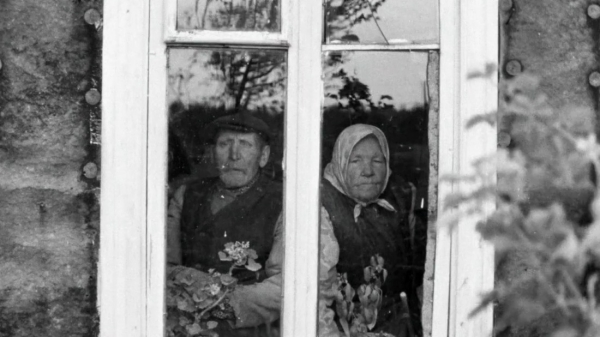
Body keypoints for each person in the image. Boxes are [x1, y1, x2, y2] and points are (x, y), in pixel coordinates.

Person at [167, 112, 283, 336]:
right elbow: (162, 265)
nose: (234, 155)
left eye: (245, 144)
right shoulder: (187, 195)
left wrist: (224, 302)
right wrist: (188, 285)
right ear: (212, 153)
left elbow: (284, 286)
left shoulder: (282, 201)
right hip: (186, 325)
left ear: (263, 155)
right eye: (225, 144)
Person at [318, 124, 422, 337]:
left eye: (377, 161)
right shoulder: (321, 203)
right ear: (340, 162)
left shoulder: (400, 203)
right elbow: (315, 297)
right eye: (355, 161)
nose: (368, 171)